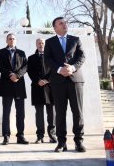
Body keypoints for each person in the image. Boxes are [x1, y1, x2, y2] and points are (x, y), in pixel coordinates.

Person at [44, 17, 86, 152]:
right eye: (61, 23)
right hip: (58, 82)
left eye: (65, 22)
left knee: (77, 112)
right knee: (60, 113)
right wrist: (59, 69)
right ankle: (61, 142)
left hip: (75, 80)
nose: (64, 24)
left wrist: (72, 68)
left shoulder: (75, 39)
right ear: (55, 27)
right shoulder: (49, 42)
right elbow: (47, 59)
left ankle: (79, 142)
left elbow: (82, 57)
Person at [0, 33, 29, 145]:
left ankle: (20, 136)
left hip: (19, 85)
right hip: (6, 85)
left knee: (20, 113)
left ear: (16, 40)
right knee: (6, 112)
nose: (12, 40)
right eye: (10, 39)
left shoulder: (21, 53)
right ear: (7, 40)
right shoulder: (1, 52)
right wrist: (11, 74)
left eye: (13, 39)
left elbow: (25, 66)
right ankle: (6, 136)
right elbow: (0, 66)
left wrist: (18, 75)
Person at [27, 38, 57, 144]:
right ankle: (40, 136)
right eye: (39, 43)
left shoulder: (52, 57)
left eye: (42, 43)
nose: (41, 45)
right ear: (36, 44)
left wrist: (47, 80)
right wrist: (38, 80)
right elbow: (30, 71)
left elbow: (54, 70)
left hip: (50, 88)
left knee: (52, 114)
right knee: (39, 114)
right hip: (37, 87)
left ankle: (52, 135)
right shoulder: (30, 58)